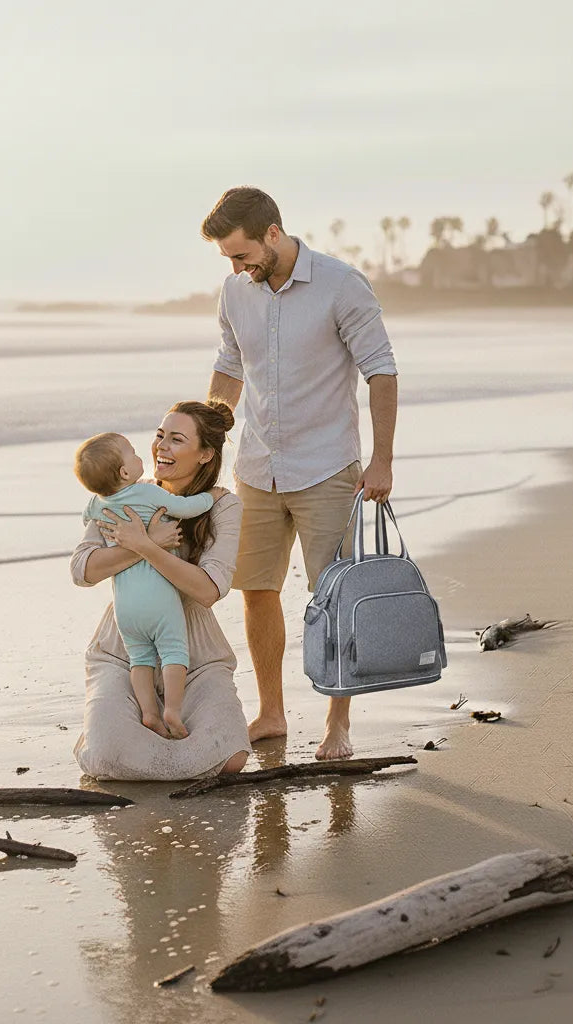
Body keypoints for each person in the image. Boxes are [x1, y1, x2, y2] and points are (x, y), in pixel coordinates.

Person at [202, 186, 398, 761]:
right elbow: (229, 367)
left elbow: (381, 372)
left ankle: (337, 724)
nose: (238, 268)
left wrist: (381, 459)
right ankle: (271, 712)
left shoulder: (342, 284)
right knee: (256, 591)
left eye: (242, 255)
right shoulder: (236, 292)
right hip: (257, 468)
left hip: (327, 468)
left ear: (272, 232)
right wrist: (207, 448)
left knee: (334, 598)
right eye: (229, 260)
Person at [71, 401, 252, 781]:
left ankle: (159, 734)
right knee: (105, 756)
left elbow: (208, 590)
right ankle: (140, 726)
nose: (160, 447)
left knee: (231, 756)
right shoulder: (123, 493)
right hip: (124, 647)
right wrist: (139, 542)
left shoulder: (222, 505)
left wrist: (149, 548)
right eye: (158, 436)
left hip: (194, 652)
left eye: (176, 439)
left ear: (205, 454)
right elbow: (82, 571)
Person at [74, 431, 215, 739]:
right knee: (175, 651)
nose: (142, 457)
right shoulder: (148, 494)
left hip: (125, 606)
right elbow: (187, 508)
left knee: (140, 658)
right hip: (159, 599)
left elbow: (87, 516)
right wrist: (211, 498)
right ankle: (172, 710)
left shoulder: (97, 505)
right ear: (125, 472)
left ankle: (149, 712)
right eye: (134, 454)